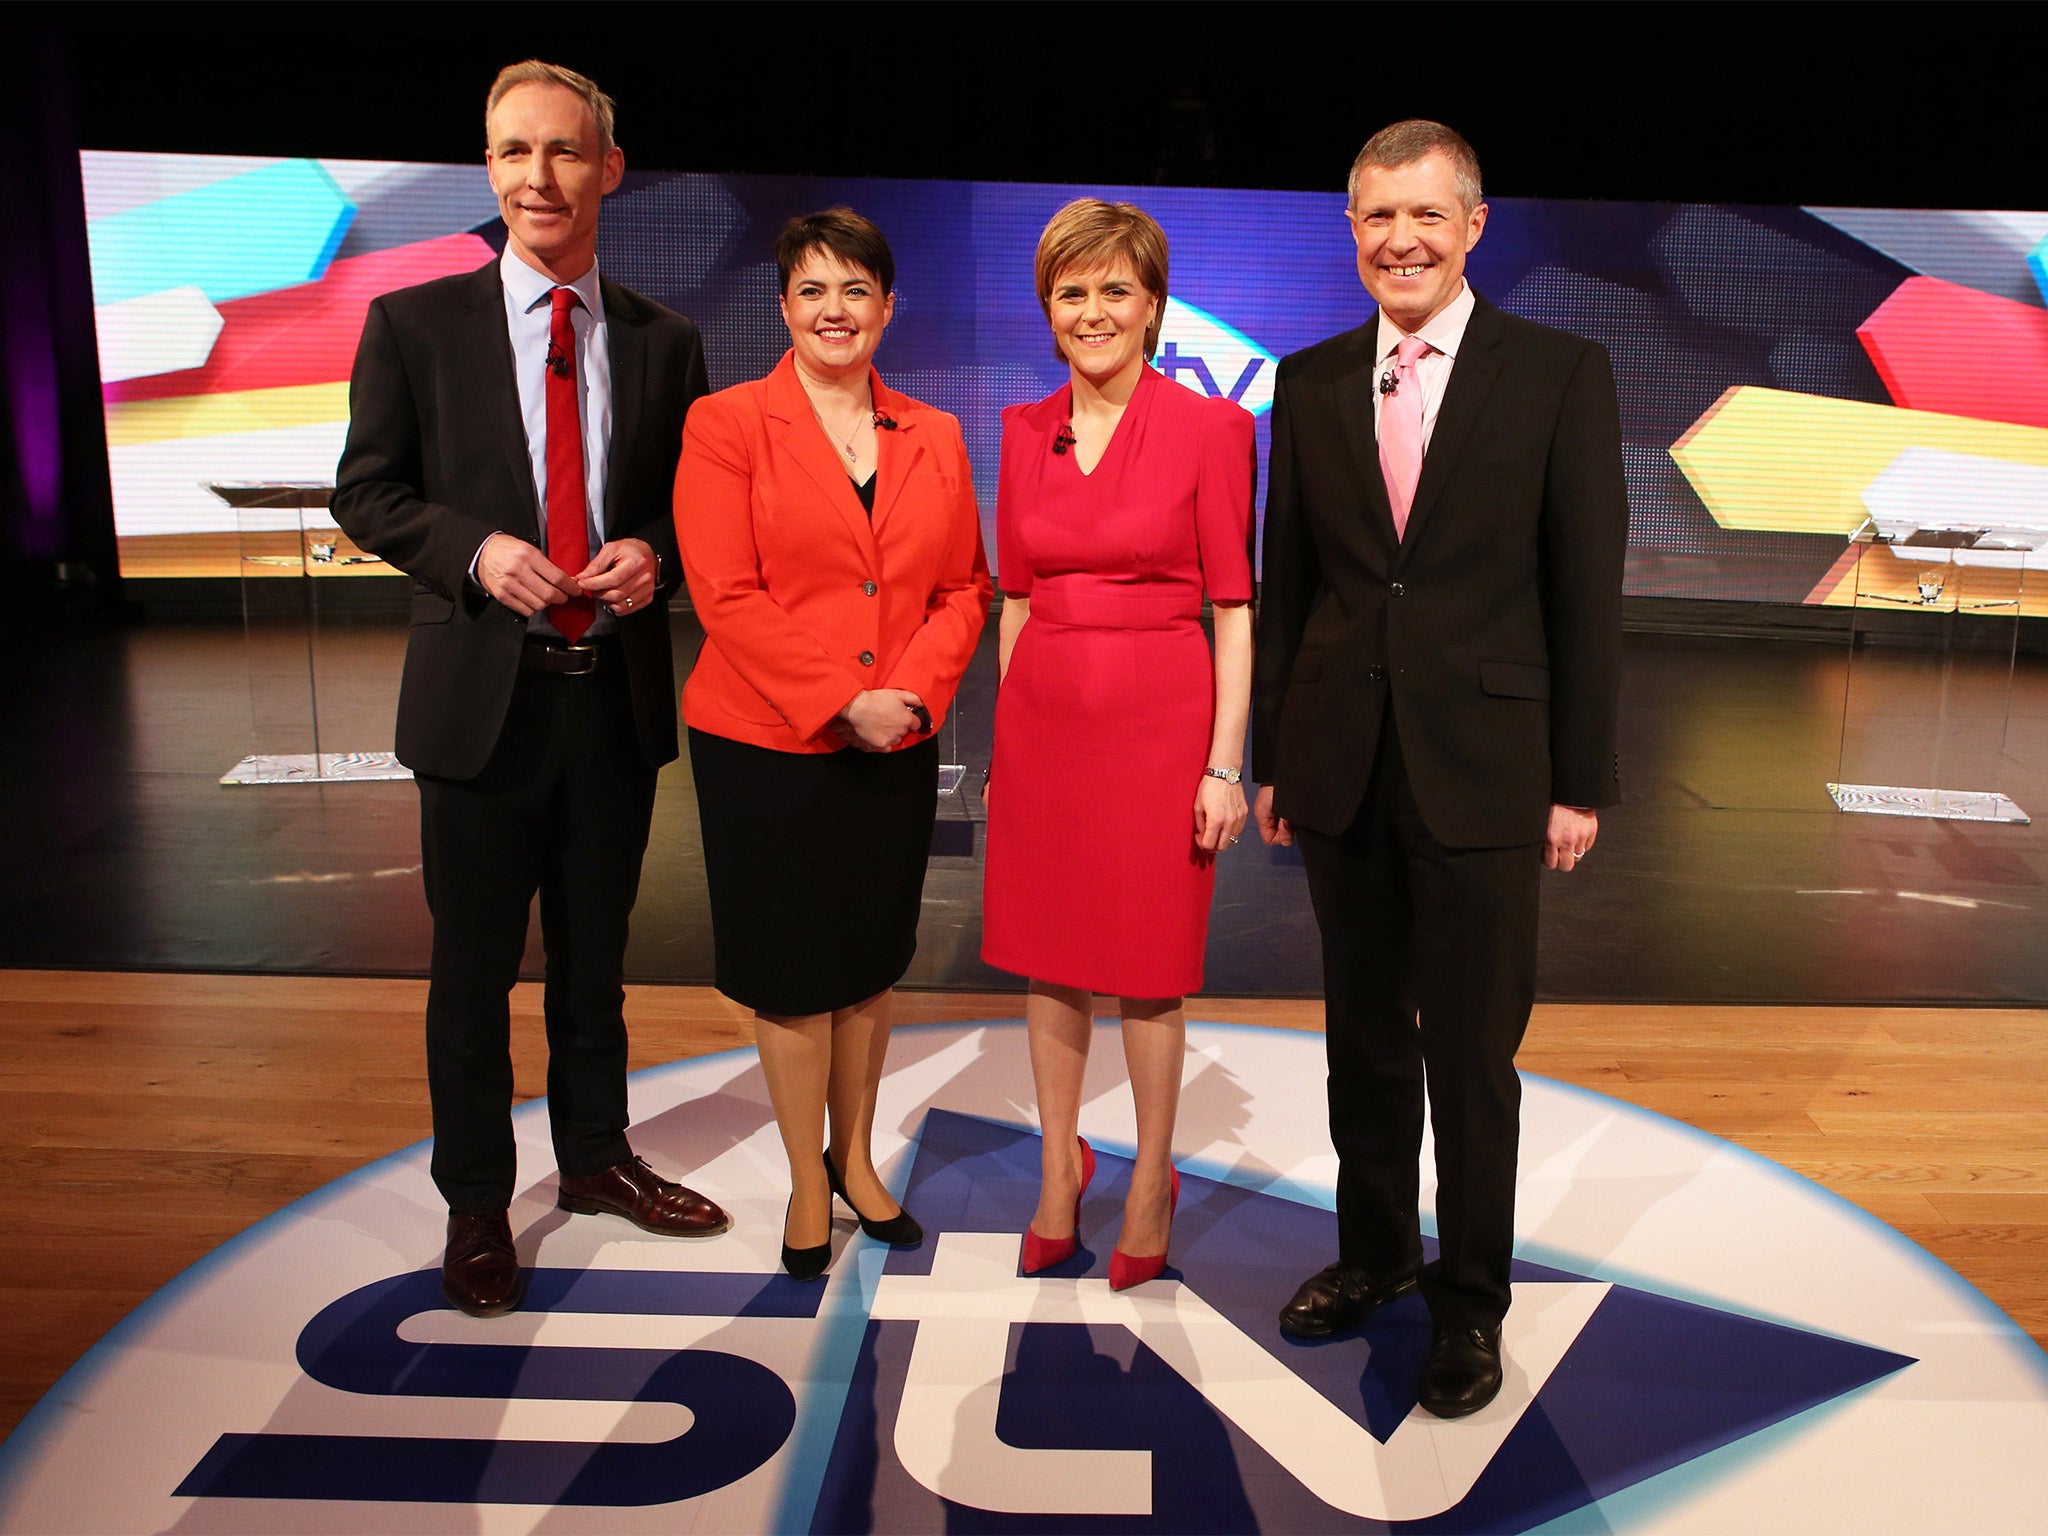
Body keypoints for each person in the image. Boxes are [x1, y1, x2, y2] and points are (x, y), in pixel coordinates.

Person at [332, 61, 730, 1319]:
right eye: (512, 153)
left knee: (594, 966)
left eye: (562, 153)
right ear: (488, 168)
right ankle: (475, 1204)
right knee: (470, 975)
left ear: (607, 170)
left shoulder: (666, 340)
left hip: (605, 699)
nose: (536, 177)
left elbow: (694, 502)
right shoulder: (413, 325)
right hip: (476, 711)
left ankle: (599, 1161)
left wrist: (655, 548)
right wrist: (473, 551)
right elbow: (369, 491)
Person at [1252, 120, 1627, 1416]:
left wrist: (1577, 782)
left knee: (1471, 1059)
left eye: (1424, 216)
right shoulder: (1304, 384)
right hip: (1342, 767)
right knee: (1363, 1044)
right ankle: (1372, 1259)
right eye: (1374, 218)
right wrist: (1270, 761)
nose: (1398, 240)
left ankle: (1469, 1305)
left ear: (1474, 226)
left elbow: (1587, 591)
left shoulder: (1561, 373)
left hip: (1489, 771)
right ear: (1350, 231)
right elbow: (1287, 585)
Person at [673, 209, 991, 1282]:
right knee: (793, 975)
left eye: (855, 291)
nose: (834, 311)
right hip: (766, 745)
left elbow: (964, 588)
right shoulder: (725, 425)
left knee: (865, 967)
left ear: (887, 308)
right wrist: (839, 700)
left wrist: (909, 691)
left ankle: (855, 1163)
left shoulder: (933, 433)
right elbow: (725, 593)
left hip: (892, 740)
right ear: (783, 308)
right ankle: (806, 1184)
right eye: (812, 291)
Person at [982, 199, 1255, 1291]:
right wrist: (1007, 749)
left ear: (1151, 306)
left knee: (1145, 968)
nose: (1091, 312)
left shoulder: (1212, 430)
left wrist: (1223, 764)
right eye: (1070, 292)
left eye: (1113, 291)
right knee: (1050, 959)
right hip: (1044, 725)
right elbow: (1014, 600)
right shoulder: (1016, 430)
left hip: (1159, 724)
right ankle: (1059, 1168)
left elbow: (1232, 608)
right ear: (1047, 310)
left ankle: (1149, 1178)